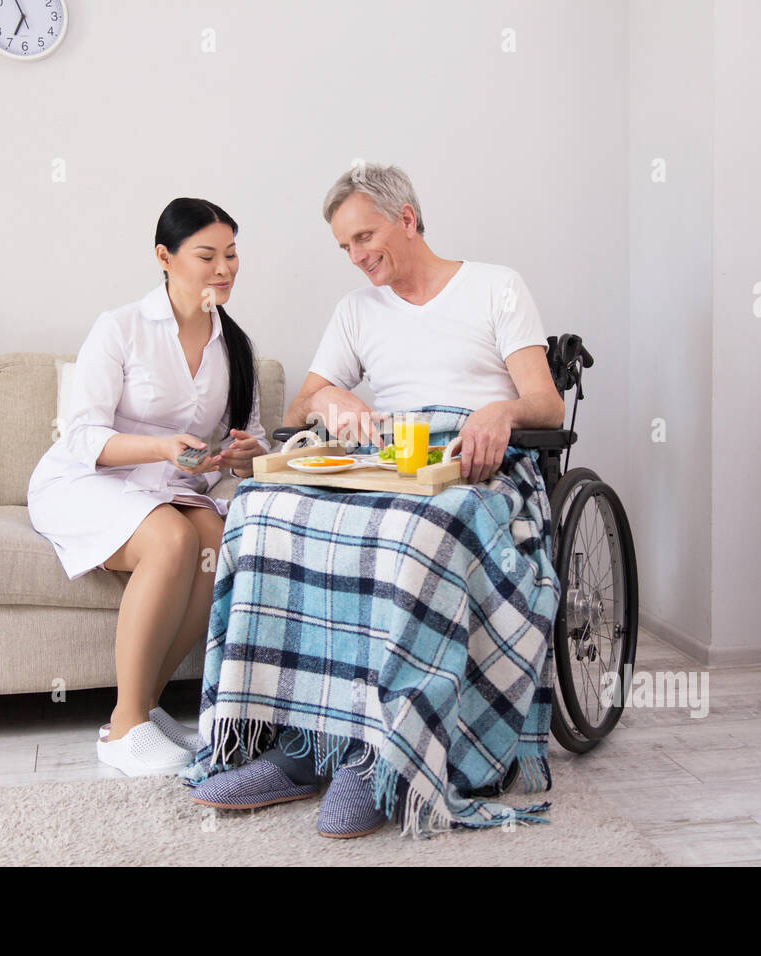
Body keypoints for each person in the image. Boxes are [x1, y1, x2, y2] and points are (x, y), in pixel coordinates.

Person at [185, 165, 565, 838]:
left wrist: (499, 412)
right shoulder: (356, 311)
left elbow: (545, 401)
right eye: (344, 247)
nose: (357, 257)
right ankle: (299, 743)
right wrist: (330, 398)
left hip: (472, 463)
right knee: (260, 511)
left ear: (408, 218)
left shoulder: (495, 288)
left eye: (365, 237)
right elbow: (303, 403)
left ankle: (379, 753)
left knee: (419, 533)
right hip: (384, 460)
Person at [27, 198, 269, 777]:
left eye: (232, 255)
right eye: (207, 255)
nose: (224, 269)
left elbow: (251, 437)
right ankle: (127, 729)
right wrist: (164, 447)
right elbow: (85, 436)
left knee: (215, 538)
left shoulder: (234, 344)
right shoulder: (121, 328)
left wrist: (241, 454)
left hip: (168, 485)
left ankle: (139, 707)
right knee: (171, 541)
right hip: (89, 479)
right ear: (164, 257)